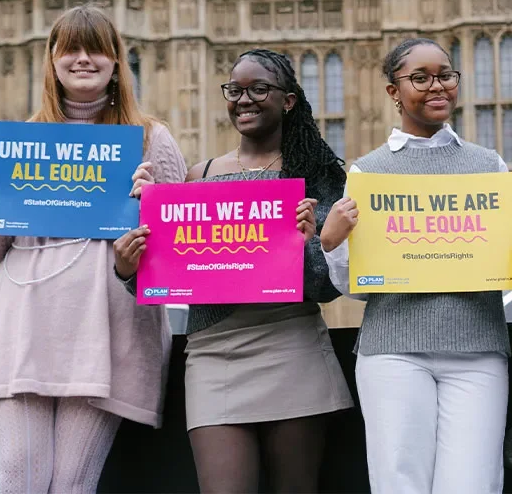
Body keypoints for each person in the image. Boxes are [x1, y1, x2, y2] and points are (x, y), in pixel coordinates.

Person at [0, 4, 187, 493]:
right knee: (18, 479)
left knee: (71, 486)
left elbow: (175, 257)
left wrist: (152, 211)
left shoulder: (152, 140)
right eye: (71, 49)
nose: (84, 59)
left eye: (97, 49)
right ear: (53, 60)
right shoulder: (20, 141)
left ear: (116, 61)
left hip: (105, 331)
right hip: (24, 324)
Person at [113, 48, 353, 493]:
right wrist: (128, 268)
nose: (244, 99)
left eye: (259, 89)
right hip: (213, 352)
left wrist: (308, 246)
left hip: (291, 342)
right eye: (235, 90)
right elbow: (170, 278)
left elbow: (328, 286)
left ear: (288, 101)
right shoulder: (197, 177)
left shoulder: (315, 175)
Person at [319, 38, 510, 494]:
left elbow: (506, 271)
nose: (437, 86)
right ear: (393, 92)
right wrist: (331, 244)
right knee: (398, 483)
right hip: (393, 348)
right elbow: (359, 288)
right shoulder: (368, 172)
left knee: (473, 484)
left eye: (445, 75)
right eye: (420, 78)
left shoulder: (489, 166)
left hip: (477, 347)